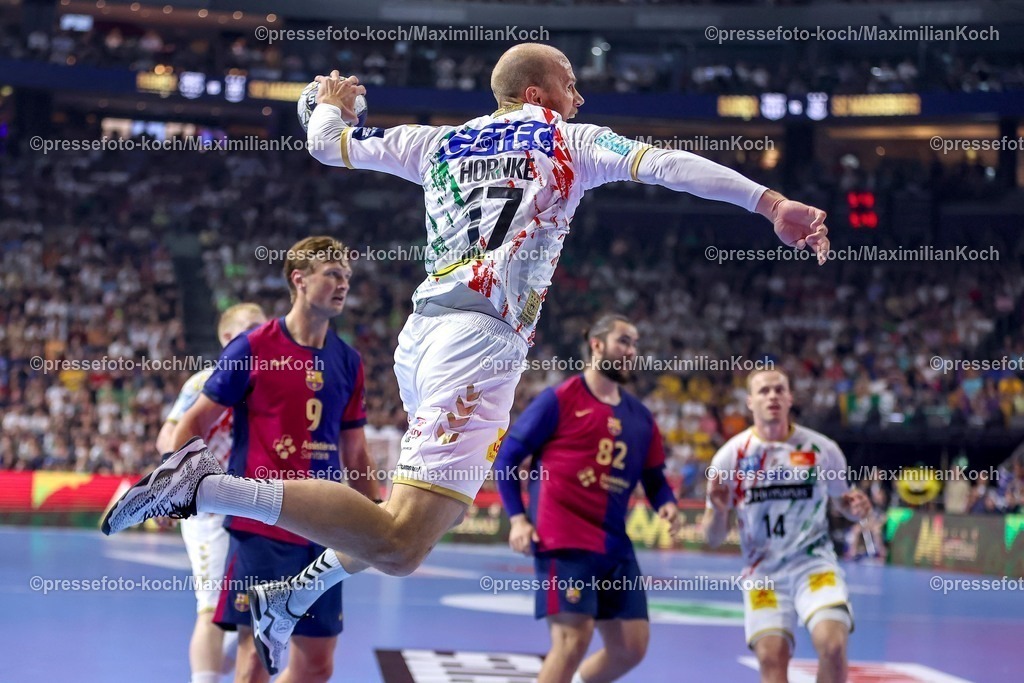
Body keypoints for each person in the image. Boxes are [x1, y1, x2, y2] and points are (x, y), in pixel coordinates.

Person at [102, 42, 831, 675]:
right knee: (400, 541)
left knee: (421, 519)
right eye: (571, 82)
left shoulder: (437, 141)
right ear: (538, 93)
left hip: (425, 338)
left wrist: (322, 103)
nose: (581, 94)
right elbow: (668, 165)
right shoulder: (567, 141)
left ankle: (287, 597)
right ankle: (209, 483)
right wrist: (769, 205)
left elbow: (328, 145)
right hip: (478, 343)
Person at [118, 235, 379, 683]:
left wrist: (374, 516)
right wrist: (180, 487)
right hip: (261, 531)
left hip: (327, 527)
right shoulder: (253, 348)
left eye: (347, 277)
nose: (343, 285)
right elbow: (191, 423)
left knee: (318, 664)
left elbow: (354, 451)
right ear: (299, 279)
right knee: (254, 662)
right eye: (332, 274)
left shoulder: (348, 361)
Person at [495, 314, 680, 683]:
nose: (632, 351)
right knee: (571, 640)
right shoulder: (559, 399)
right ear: (596, 344)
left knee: (631, 647)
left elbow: (654, 478)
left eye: (635, 344)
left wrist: (667, 503)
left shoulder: (641, 418)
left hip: (614, 545)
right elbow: (507, 458)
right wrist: (517, 518)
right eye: (624, 341)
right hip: (562, 539)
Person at [702, 370, 871, 683]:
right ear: (750, 402)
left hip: (814, 566)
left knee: (832, 645)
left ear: (790, 398)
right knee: (771, 657)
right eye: (764, 391)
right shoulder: (730, 457)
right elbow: (711, 538)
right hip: (763, 574)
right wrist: (719, 510)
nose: (772, 396)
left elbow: (843, 503)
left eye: (779, 389)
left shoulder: (822, 449)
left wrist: (855, 508)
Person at [154, 303, 267, 683]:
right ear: (226, 339)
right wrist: (172, 488)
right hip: (211, 511)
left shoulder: (269, 385)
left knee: (258, 613)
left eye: (263, 328)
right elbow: (168, 437)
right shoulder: (205, 382)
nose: (260, 335)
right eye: (251, 328)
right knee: (211, 609)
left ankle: (221, 666)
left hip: (260, 508)